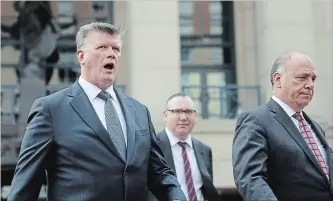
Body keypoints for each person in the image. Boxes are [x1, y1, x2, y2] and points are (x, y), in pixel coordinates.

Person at [8, 22, 186, 201]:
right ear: (81, 56)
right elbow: (26, 183)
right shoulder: (50, 110)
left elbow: (159, 172)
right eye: (102, 47)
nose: (111, 54)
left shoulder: (139, 111)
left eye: (116, 49)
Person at [232, 51, 333, 201]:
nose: (310, 85)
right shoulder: (256, 120)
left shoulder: (316, 128)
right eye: (302, 78)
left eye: (313, 79)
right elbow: (251, 178)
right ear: (278, 79)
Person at [149, 93, 221, 201]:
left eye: (188, 112)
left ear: (195, 116)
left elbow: (207, 190)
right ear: (165, 115)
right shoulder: (152, 147)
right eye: (177, 111)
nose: (183, 117)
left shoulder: (204, 150)